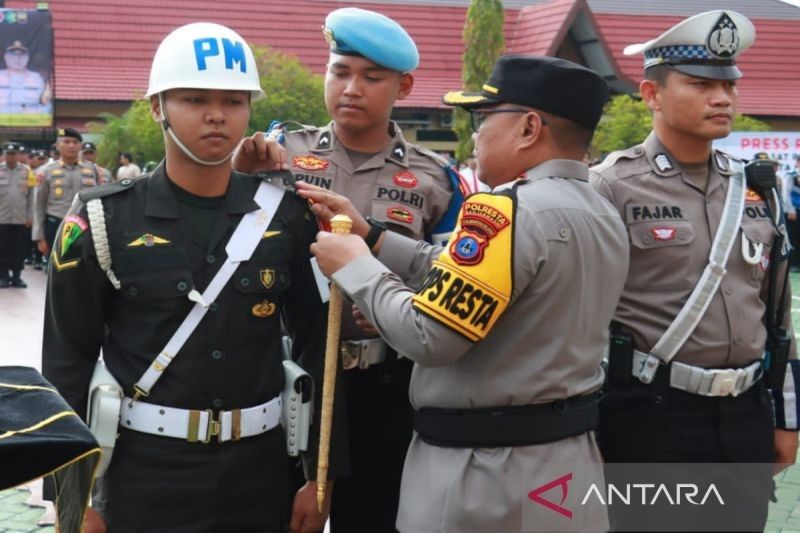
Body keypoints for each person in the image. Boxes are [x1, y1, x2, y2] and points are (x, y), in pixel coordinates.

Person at [301, 54, 628, 532]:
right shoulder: (600, 211)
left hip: (484, 473)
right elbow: (471, 277)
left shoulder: (505, 211)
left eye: (484, 119)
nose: (477, 135)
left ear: (529, 128)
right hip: (566, 455)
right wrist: (374, 237)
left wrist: (358, 269)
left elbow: (427, 336)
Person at [42, 22, 344, 532]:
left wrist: (322, 475)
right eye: (194, 98)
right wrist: (73, 498)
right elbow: (66, 361)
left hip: (263, 473)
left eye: (234, 101)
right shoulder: (99, 219)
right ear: (158, 106)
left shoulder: (283, 215)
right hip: (144, 475)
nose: (216, 115)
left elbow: (321, 349)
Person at [233, 8, 464, 532]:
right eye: (340, 72)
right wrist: (237, 177)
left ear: (404, 86)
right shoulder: (278, 152)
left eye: (372, 77)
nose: (351, 88)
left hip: (385, 380)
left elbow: (447, 276)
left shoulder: (436, 180)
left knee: (376, 518)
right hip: (288, 376)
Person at [590, 10, 799, 531]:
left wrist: (786, 417)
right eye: (701, 84)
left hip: (745, 412)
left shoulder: (757, 187)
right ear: (651, 94)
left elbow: (777, 315)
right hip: (650, 413)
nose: (723, 98)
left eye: (728, 85)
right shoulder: (612, 186)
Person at [32, 128, 100, 258]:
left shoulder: (91, 169)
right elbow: (39, 205)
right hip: (56, 224)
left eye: (75, 142)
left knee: (84, 266)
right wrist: (39, 237)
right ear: (58, 145)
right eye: (67, 141)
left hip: (85, 225)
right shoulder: (46, 171)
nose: (71, 145)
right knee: (56, 268)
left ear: (80, 145)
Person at [0, 141, 34, 288]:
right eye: (8, 154)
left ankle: (17, 277)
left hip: (21, 219)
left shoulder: (27, 171)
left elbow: (32, 196)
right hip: (2, 218)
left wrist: (30, 216)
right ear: (4, 155)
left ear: (17, 155)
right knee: (2, 249)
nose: (11, 157)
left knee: (19, 249)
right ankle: (4, 277)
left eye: (13, 154)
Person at [0, 40, 50, 114]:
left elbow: (48, 107)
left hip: (28, 123)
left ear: (27, 58)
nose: (17, 58)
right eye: (13, 55)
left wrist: (36, 112)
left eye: (22, 55)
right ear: (6, 57)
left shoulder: (37, 79)